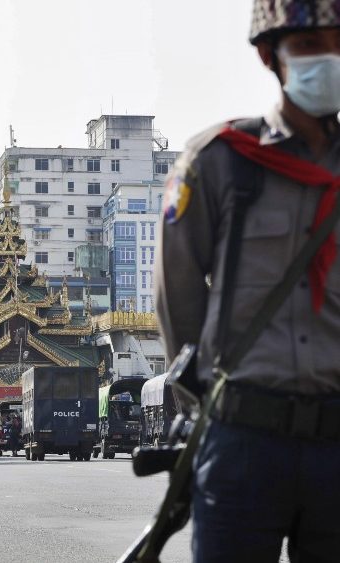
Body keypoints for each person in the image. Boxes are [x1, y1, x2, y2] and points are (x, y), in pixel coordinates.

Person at [156, 2, 340, 560]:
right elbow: (178, 298)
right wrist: (203, 407)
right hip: (242, 439)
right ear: (270, 55)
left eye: (338, 42)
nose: (329, 58)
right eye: (310, 45)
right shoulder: (218, 161)